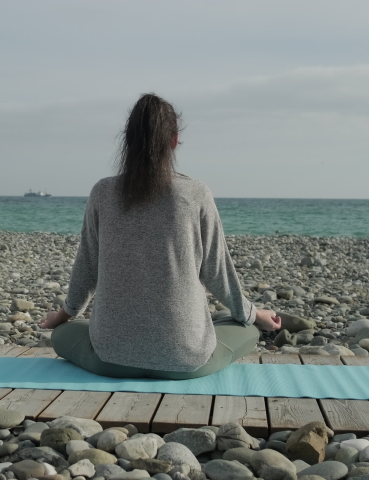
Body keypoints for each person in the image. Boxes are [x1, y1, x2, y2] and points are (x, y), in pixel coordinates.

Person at [39, 93, 281, 379]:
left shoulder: (103, 192)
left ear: (126, 140)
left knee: (63, 335)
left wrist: (63, 316)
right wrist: (253, 315)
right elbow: (217, 272)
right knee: (247, 328)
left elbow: (87, 268)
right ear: (174, 140)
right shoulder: (195, 193)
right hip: (186, 363)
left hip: (110, 360)